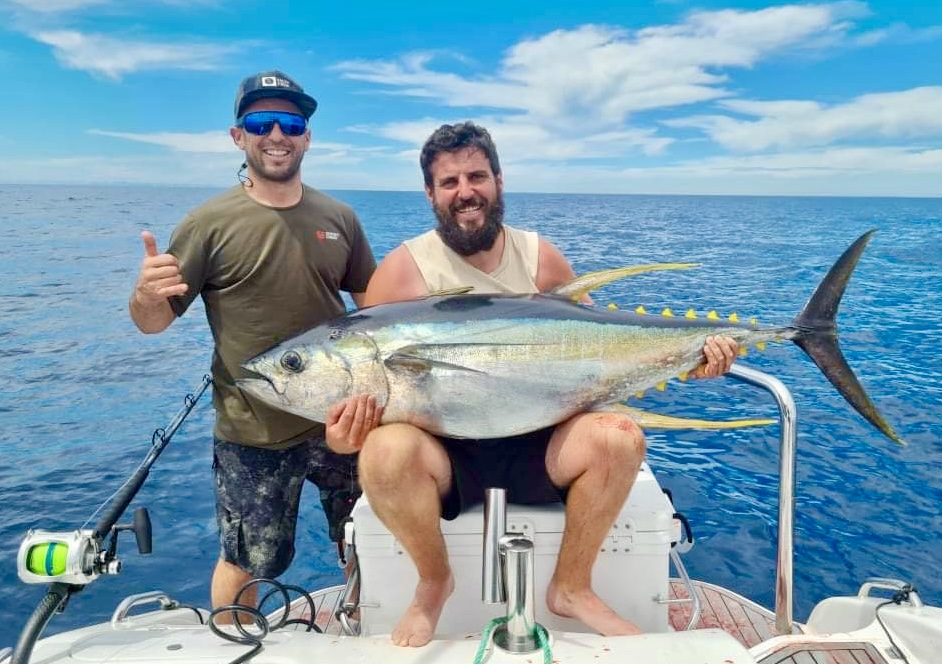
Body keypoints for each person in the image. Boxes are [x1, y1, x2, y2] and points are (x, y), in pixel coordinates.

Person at [325, 121, 738, 646]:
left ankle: (572, 587)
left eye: (477, 176)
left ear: (498, 180)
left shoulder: (542, 259)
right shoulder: (402, 273)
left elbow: (598, 354)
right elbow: (365, 394)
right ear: (430, 194)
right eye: (449, 182)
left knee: (619, 437)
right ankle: (434, 583)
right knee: (383, 451)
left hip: (541, 443)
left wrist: (691, 358)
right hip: (447, 454)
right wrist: (343, 435)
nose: (465, 192)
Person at [129, 70, 376, 615]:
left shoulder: (340, 218)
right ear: (238, 135)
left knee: (363, 542)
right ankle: (236, 641)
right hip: (252, 429)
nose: (277, 134)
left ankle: (366, 628)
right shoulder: (208, 223)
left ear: (307, 136)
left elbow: (376, 309)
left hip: (343, 419)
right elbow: (153, 322)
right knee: (246, 562)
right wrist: (146, 294)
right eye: (260, 122)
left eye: (290, 122)